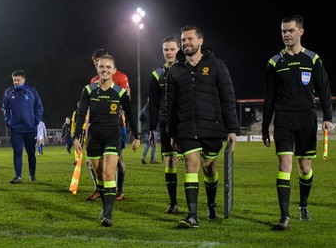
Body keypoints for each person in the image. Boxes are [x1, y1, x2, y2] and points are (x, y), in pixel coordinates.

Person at [262, 15, 333, 231]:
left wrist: (328, 117)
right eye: (283, 31)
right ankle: (284, 216)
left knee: (305, 167)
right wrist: (266, 126)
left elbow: (324, 89)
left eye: (290, 30)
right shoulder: (275, 62)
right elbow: (269, 97)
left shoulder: (312, 59)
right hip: (283, 118)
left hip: (306, 118)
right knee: (284, 164)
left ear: (301, 32)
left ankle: (303, 205)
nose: (286, 34)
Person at [166, 25, 239, 228]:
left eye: (190, 39)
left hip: (212, 127)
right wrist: (172, 132)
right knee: (191, 164)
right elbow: (170, 105)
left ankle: (212, 205)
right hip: (186, 128)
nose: (186, 43)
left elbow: (228, 98)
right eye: (183, 40)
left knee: (209, 167)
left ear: (200, 41)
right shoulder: (175, 70)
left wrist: (232, 129)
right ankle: (192, 215)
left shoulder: (217, 65)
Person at [73, 54, 140, 227]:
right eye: (102, 67)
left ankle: (108, 215)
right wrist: (76, 137)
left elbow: (131, 114)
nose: (105, 70)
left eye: (108, 67)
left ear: (113, 70)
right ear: (97, 69)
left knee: (109, 173)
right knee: (99, 175)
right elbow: (81, 114)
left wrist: (137, 136)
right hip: (94, 136)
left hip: (113, 135)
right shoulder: (88, 90)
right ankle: (105, 206)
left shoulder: (120, 92)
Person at [87, 49, 131, 201]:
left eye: (100, 63)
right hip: (97, 129)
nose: (99, 67)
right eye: (96, 64)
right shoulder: (93, 81)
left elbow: (126, 101)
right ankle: (99, 189)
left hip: (116, 126)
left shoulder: (120, 77)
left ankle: (119, 191)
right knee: (92, 162)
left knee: (118, 162)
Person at [148, 36, 181, 214]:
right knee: (170, 161)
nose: (168, 53)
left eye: (172, 49)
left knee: (194, 163)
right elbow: (153, 104)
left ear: (179, 49)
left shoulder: (185, 70)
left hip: (184, 123)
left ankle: (203, 204)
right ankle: (173, 202)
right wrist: (152, 129)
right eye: (165, 50)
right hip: (165, 124)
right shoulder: (156, 74)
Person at [2, 70, 44, 184]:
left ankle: (32, 175)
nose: (16, 82)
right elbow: (5, 109)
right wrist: (8, 121)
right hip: (16, 129)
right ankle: (18, 176)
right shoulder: (8, 92)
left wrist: (34, 121)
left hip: (30, 129)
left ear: (24, 80)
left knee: (31, 153)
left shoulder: (32, 92)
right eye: (14, 80)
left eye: (18, 80)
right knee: (17, 152)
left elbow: (39, 108)